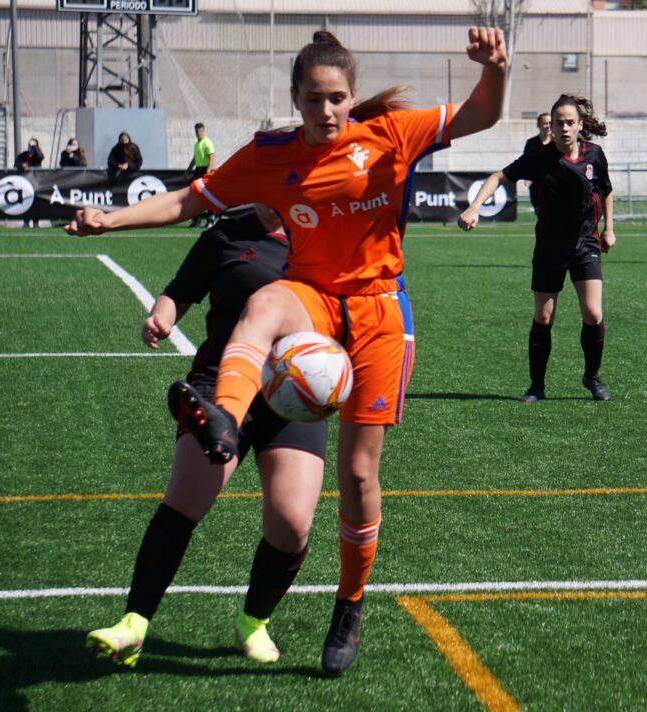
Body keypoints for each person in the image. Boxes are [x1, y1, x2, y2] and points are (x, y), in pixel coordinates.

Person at [66, 26, 508, 675]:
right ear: (295, 99)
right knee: (265, 304)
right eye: (311, 99)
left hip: (383, 308)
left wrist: (494, 69)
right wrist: (110, 218)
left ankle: (349, 607)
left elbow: (481, 113)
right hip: (317, 299)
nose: (324, 111)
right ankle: (223, 415)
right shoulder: (271, 154)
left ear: (351, 97)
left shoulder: (390, 135)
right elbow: (192, 198)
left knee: (359, 477)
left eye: (335, 98)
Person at [85, 203, 328, 669]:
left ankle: (253, 621)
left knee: (292, 524)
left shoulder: (324, 238)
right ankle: (134, 625)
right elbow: (179, 292)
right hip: (219, 383)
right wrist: (162, 315)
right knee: (185, 503)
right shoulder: (226, 237)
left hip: (292, 394)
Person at [458, 94, 615, 403]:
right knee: (544, 317)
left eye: (571, 123)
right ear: (551, 127)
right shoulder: (538, 157)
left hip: (585, 244)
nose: (565, 128)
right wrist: (475, 206)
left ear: (580, 125)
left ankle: (592, 377)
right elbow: (498, 177)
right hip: (549, 248)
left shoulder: (594, 155)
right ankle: (536, 386)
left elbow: (606, 190)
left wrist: (609, 228)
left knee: (593, 314)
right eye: (559, 123)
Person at [185, 122, 215, 228]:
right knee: (194, 194)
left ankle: (210, 219)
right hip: (198, 170)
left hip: (205, 170)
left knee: (207, 195)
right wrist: (188, 170)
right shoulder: (197, 144)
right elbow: (194, 158)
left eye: (200, 131)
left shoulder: (207, 142)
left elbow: (212, 157)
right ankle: (196, 220)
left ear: (204, 131)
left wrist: (209, 170)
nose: (199, 133)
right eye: (197, 131)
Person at [522, 112, 552, 214]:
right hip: (537, 187)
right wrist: (527, 176)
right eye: (545, 123)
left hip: (555, 186)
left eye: (550, 123)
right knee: (541, 217)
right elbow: (526, 162)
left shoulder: (558, 142)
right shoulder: (531, 143)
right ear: (538, 125)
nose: (548, 126)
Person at [15, 138, 44, 227]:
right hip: (25, 182)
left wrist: (34, 147)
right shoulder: (23, 155)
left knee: (36, 203)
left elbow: (40, 156)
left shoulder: (37, 156)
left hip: (35, 181)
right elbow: (17, 163)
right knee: (25, 202)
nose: (31, 147)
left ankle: (36, 222)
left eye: (33, 145)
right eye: (30, 145)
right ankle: (26, 222)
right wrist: (21, 165)